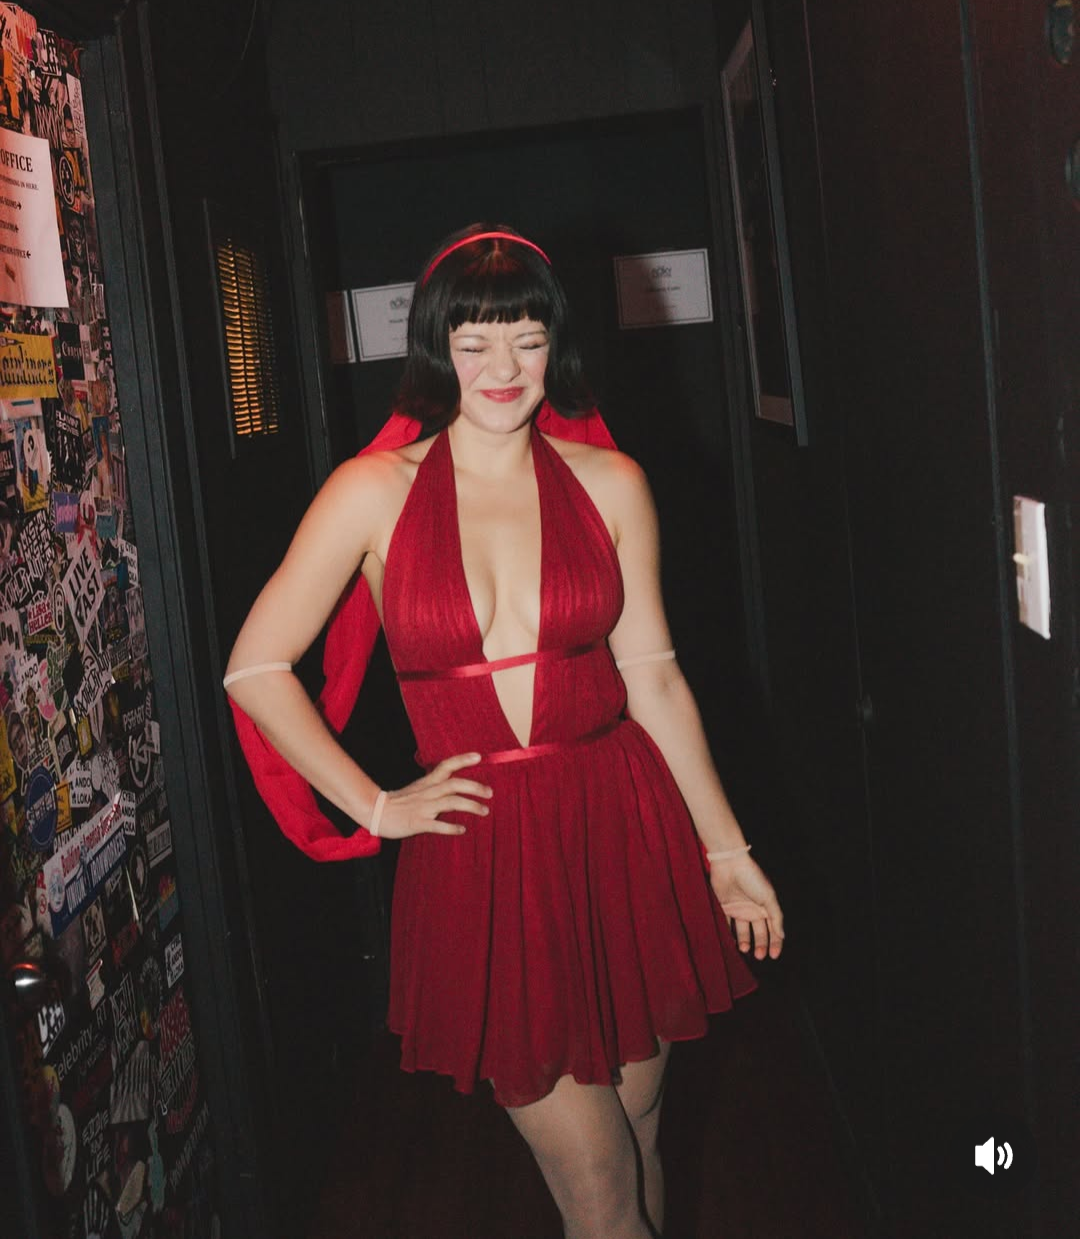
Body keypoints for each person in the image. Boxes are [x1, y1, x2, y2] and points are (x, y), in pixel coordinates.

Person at [225, 223, 784, 1239]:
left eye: (527, 340)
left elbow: (654, 679)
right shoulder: (371, 492)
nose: (503, 367)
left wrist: (727, 851)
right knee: (600, 1189)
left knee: (642, 1142)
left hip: (622, 827)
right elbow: (255, 669)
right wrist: (376, 806)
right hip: (485, 854)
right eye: (475, 342)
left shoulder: (611, 482)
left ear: (555, 346)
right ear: (436, 349)